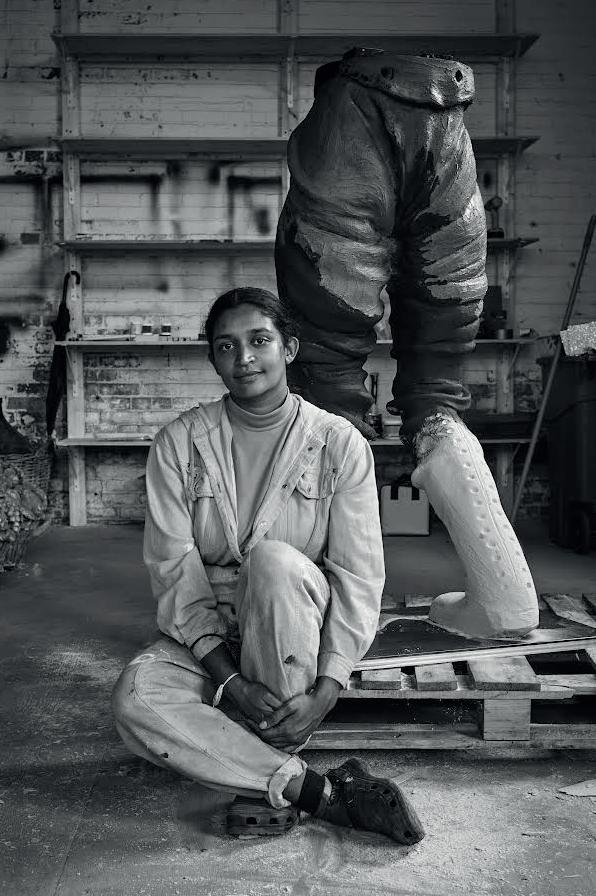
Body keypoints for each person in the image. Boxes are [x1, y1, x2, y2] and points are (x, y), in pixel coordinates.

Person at [112, 287, 425, 844]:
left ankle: (246, 749)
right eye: (226, 346)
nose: (244, 358)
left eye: (259, 341)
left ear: (289, 348)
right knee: (136, 698)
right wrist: (229, 680)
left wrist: (328, 688)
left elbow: (358, 575)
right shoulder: (179, 444)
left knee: (273, 563)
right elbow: (174, 569)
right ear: (213, 359)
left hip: (291, 620)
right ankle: (315, 790)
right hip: (208, 631)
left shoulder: (337, 443)